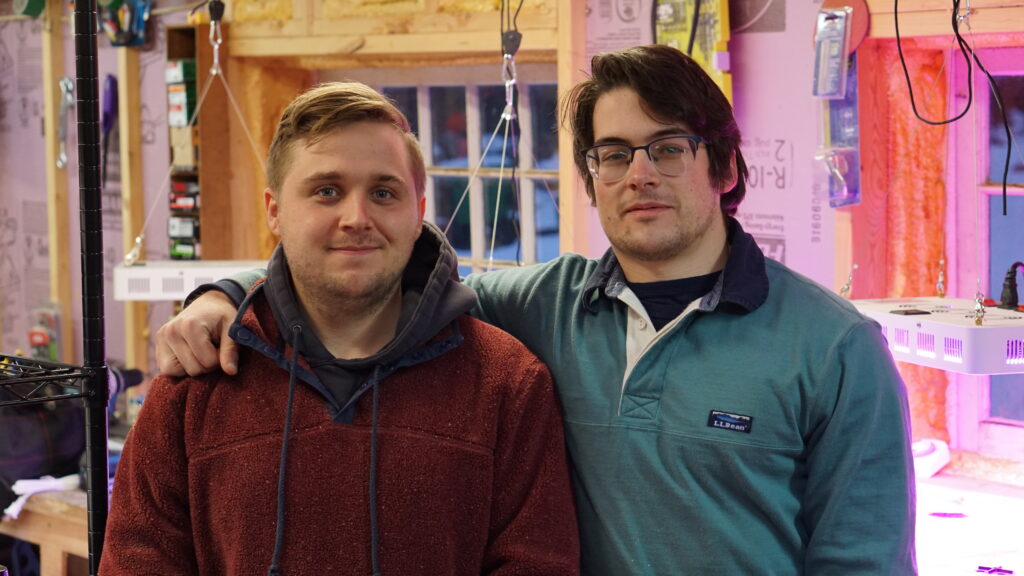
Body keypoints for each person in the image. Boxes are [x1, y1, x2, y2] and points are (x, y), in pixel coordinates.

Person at [156, 46, 917, 574]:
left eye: (668, 147)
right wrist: (230, 293)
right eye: (613, 153)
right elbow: (370, 276)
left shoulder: (835, 348)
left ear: (722, 164)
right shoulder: (541, 306)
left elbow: (864, 561)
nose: (639, 174)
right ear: (591, 177)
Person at [101, 82, 580, 575]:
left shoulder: (507, 385)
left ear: (418, 213)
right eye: (327, 191)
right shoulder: (196, 385)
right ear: (274, 211)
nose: (357, 218)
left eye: (383, 193)